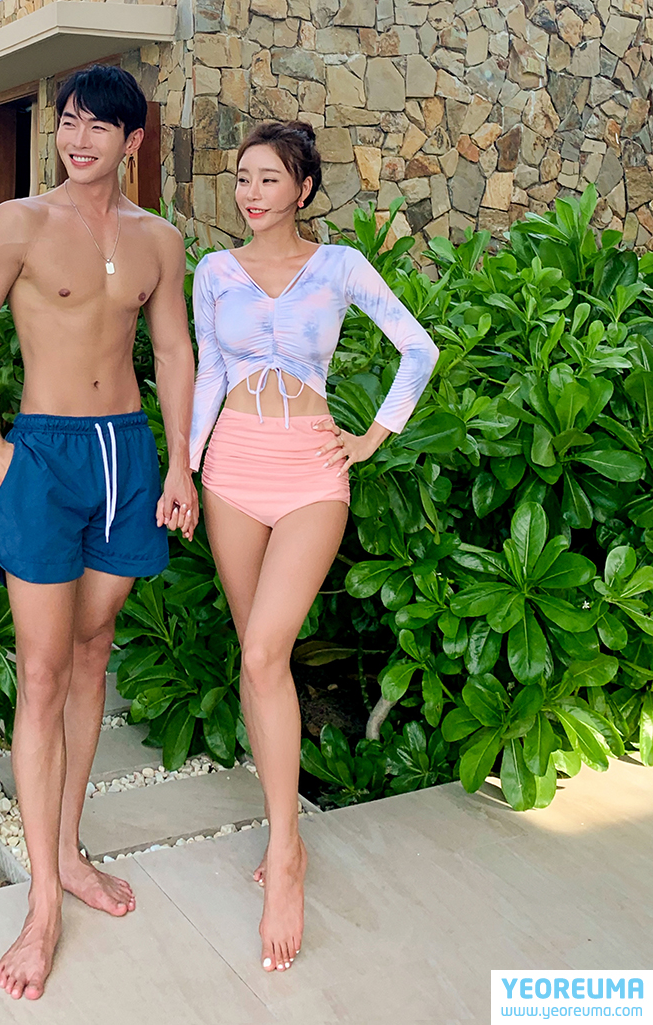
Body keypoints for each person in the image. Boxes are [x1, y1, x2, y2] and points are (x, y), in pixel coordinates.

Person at [0, 65, 198, 1001]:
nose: (77, 139)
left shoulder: (158, 239)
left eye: (98, 126)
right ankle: (43, 902)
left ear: (133, 140)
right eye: (68, 122)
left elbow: (172, 349)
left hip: (126, 453)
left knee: (93, 653)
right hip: (42, 454)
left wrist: (181, 463)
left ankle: (70, 849)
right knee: (43, 670)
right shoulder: (19, 222)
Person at [189, 120, 438, 976]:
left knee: (266, 650)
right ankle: (281, 829)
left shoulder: (339, 266)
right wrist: (188, 466)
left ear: (302, 188)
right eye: (242, 177)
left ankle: (286, 853)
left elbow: (419, 347)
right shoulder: (213, 271)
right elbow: (209, 374)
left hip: (310, 472)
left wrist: (372, 436)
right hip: (230, 470)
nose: (251, 193)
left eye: (268, 178)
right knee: (257, 660)